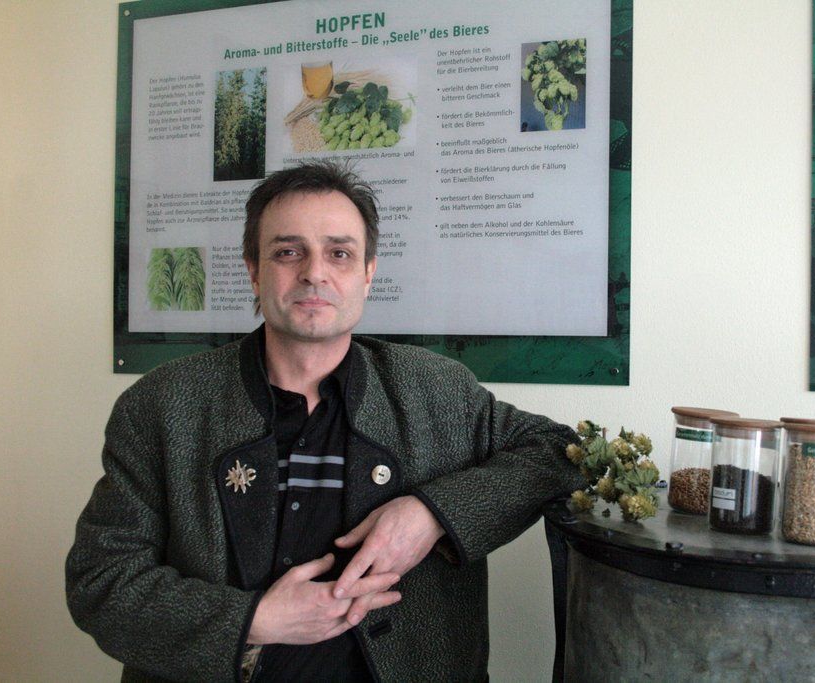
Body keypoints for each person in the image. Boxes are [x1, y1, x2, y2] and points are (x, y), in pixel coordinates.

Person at [66, 160, 583, 682]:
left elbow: (559, 452)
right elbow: (101, 580)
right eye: (288, 252)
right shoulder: (160, 405)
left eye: (339, 253)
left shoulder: (438, 391)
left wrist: (432, 515)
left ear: (368, 273)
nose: (315, 272)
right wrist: (254, 621)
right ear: (253, 270)